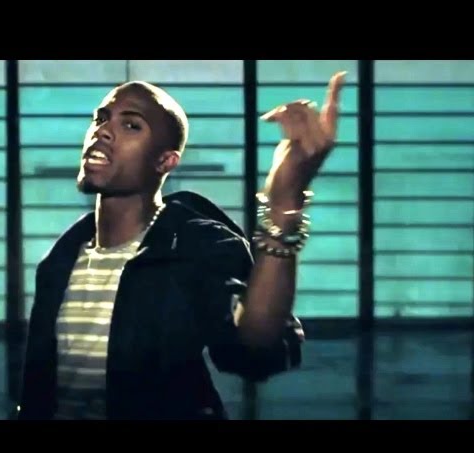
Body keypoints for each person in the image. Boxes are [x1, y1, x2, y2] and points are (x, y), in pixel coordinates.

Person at [17, 71, 347, 420]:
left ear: (166, 161)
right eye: (101, 118)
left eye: (131, 125)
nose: (103, 131)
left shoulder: (195, 246)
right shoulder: (61, 260)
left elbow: (254, 348)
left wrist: (283, 205)